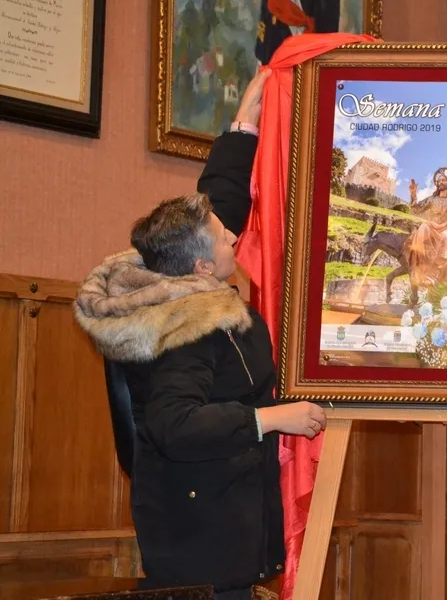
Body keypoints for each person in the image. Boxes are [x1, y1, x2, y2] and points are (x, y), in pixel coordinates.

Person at [74, 70, 325, 599]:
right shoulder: (182, 328)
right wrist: (273, 418)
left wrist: (243, 126)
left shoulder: (170, 270)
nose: (234, 233)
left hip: (214, 522)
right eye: (224, 238)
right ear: (202, 268)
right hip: (202, 543)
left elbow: (217, 205)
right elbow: (175, 422)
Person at [406, 167, 447, 288]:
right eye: (439, 181)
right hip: (432, 226)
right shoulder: (432, 199)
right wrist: (413, 194)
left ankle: (434, 272)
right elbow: (416, 209)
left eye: (443, 180)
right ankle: (421, 267)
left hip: (446, 228)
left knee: (446, 236)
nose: (441, 182)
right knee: (423, 227)